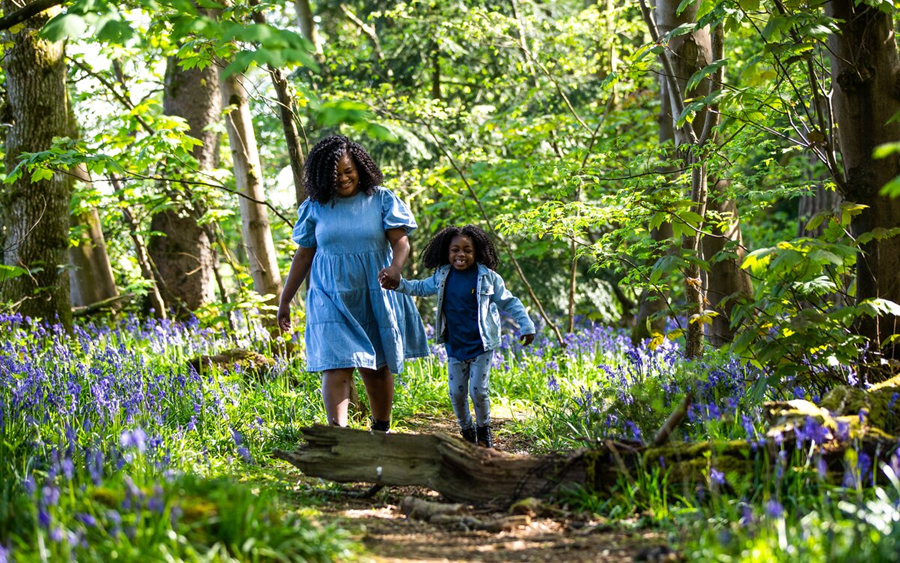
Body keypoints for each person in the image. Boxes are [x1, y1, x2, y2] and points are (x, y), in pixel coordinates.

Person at [277, 134, 429, 431]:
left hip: (374, 293)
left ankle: (380, 431)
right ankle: (340, 438)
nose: (344, 178)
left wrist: (396, 268)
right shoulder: (316, 207)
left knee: (376, 367)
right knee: (335, 366)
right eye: (335, 174)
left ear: (360, 167)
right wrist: (285, 300)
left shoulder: (381, 199)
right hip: (329, 296)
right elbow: (304, 256)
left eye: (349, 171)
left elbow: (401, 243)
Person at [383, 225, 535, 448]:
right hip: (455, 346)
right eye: (455, 250)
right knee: (456, 393)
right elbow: (420, 288)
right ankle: (467, 430)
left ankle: (484, 431)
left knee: (479, 391)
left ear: (477, 252)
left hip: (481, 345)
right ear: (447, 252)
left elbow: (510, 302)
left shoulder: (488, 278)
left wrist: (526, 324)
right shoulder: (442, 276)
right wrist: (398, 284)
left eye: (467, 250)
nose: (461, 255)